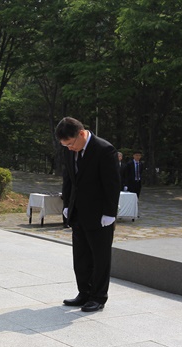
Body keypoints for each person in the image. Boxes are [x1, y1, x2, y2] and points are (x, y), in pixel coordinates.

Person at [56, 117, 120, 312]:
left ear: (82, 134)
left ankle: (98, 297)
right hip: (77, 212)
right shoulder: (70, 151)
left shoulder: (104, 150)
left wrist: (110, 213)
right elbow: (68, 179)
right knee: (81, 257)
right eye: (65, 145)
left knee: (100, 257)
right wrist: (67, 205)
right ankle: (84, 292)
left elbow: (112, 184)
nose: (69, 148)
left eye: (71, 143)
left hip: (100, 215)